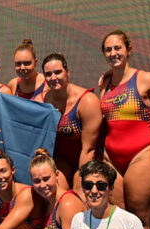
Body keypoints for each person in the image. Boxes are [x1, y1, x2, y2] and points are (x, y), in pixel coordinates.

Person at [96, 29, 150, 229]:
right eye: (109, 49)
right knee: (118, 219)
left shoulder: (146, 79)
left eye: (118, 48)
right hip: (111, 159)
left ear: (129, 50)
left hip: (140, 156)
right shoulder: (104, 84)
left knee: (141, 220)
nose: (113, 53)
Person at [38, 53, 102, 187]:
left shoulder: (87, 101)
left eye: (58, 72)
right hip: (61, 161)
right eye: (48, 74)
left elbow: (88, 150)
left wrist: (81, 181)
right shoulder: (41, 101)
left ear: (67, 72)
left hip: (88, 159)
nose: (53, 78)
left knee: (81, 195)